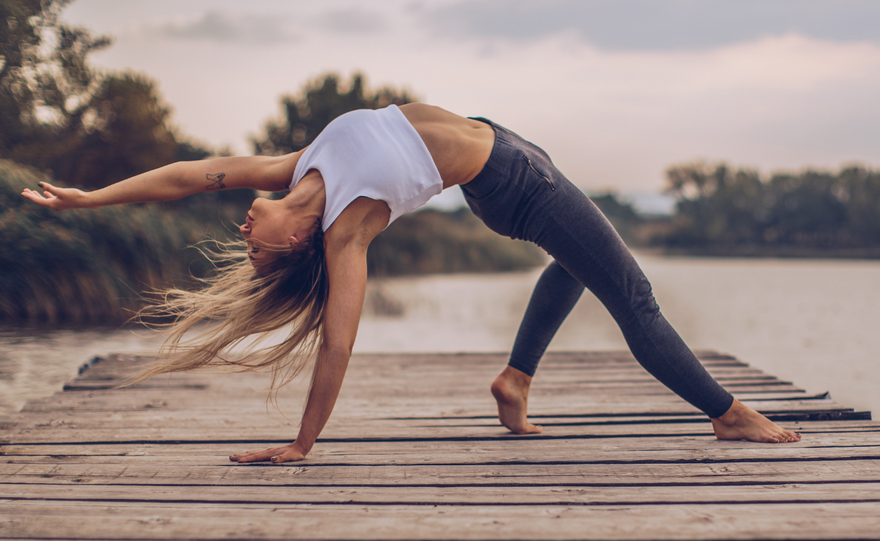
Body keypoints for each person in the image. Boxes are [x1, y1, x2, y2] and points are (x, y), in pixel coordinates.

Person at [21, 103, 801, 463]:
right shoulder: (346, 235)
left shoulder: (293, 170)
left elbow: (188, 176)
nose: (240, 228)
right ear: (294, 243)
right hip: (517, 184)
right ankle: (729, 414)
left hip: (507, 143)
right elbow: (337, 342)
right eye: (252, 246)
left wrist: (92, 198)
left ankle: (515, 379)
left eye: (243, 235)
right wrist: (302, 443)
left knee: (584, 264)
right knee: (633, 298)